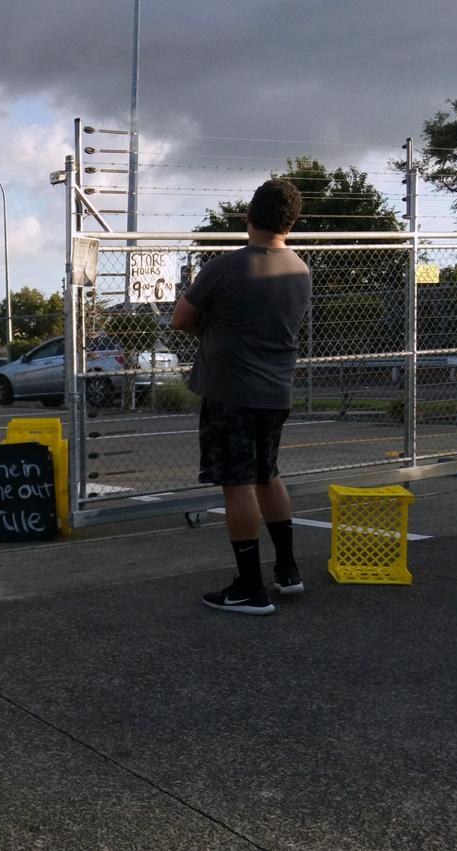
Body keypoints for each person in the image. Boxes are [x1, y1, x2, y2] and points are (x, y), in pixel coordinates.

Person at [172, 178, 313, 616]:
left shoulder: (225, 267)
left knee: (237, 484)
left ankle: (250, 587)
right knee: (267, 474)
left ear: (248, 216)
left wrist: (214, 327)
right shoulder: (300, 271)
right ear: (291, 221)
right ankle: (287, 570)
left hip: (231, 390)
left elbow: (181, 319)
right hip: (276, 390)